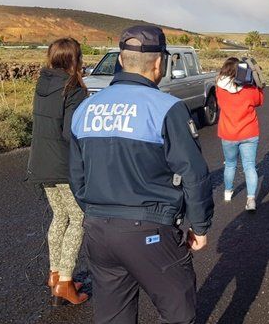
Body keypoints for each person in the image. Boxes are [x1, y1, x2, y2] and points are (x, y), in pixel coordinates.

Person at [69, 25, 214, 323]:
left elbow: (76, 175)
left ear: (121, 60)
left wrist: (97, 211)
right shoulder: (167, 108)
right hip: (150, 230)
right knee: (179, 312)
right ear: (159, 63)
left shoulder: (86, 108)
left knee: (113, 317)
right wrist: (199, 226)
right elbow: (194, 173)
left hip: (99, 232)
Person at [26, 37, 88, 306]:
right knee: (79, 217)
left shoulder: (42, 84)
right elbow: (71, 133)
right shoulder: (72, 88)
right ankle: (65, 281)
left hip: (40, 163)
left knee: (60, 216)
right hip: (63, 165)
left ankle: (55, 274)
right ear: (74, 59)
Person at [216, 57, 265, 211]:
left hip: (228, 133)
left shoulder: (219, 88)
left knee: (230, 164)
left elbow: (220, 104)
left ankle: (228, 192)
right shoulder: (250, 89)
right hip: (249, 132)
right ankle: (251, 200)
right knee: (249, 166)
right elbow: (259, 101)